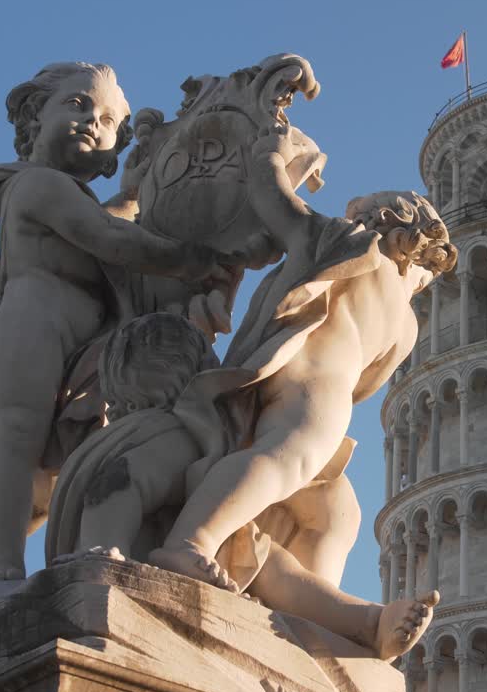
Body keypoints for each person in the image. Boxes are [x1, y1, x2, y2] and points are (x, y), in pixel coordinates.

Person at [0, 62, 220, 586]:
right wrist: (195, 259)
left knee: (51, 475)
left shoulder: (76, 199)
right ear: (35, 117)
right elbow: (112, 240)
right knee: (16, 436)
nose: (92, 122)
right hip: (31, 325)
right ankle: (1, 568)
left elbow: (110, 220)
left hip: (84, 342)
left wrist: (135, 191)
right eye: (78, 105)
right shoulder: (36, 185)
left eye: (108, 120)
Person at [46, 311, 436, 659]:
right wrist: (103, 554)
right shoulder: (168, 434)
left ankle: (368, 626)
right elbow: (116, 485)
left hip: (193, 551)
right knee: (271, 568)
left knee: (268, 563)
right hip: (136, 555)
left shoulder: (186, 439)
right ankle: (366, 624)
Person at [146, 184, 458, 596]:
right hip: (314, 383)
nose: (424, 280)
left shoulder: (405, 322)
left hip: (326, 391)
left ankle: (306, 613)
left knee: (336, 512)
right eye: (426, 268)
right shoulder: (354, 246)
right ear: (403, 236)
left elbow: (367, 380)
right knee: (287, 455)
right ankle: (190, 542)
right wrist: (271, 161)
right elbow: (280, 206)